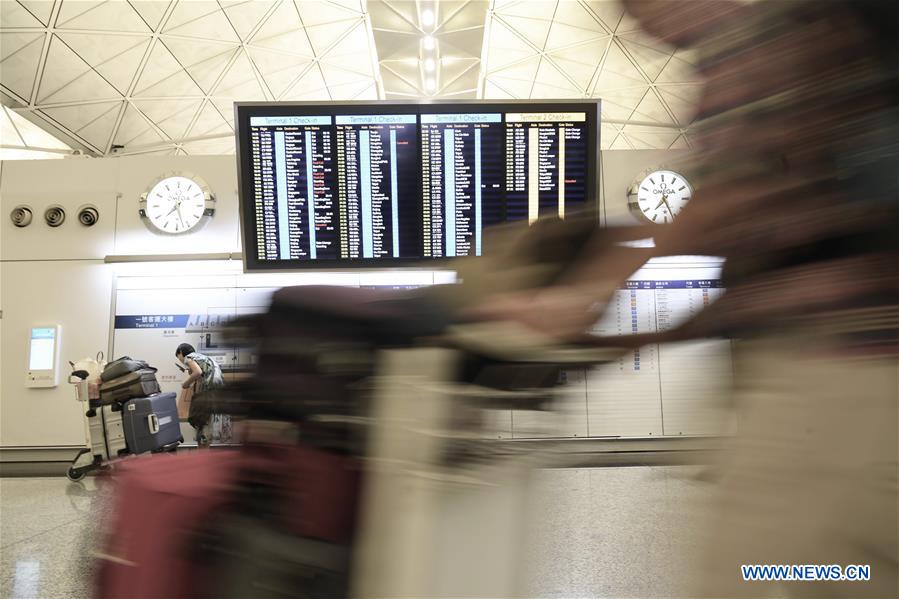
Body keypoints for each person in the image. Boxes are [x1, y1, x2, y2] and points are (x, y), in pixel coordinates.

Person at [470, 0, 898, 596]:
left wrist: (580, 293)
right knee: (850, 571)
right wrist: (619, 340)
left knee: (740, 573)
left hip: (832, 379)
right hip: (861, 377)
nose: (632, 22)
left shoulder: (758, 34)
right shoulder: (790, 33)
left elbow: (725, 197)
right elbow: (767, 268)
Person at [176, 343, 224, 448]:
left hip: (208, 390)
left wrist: (186, 384)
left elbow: (197, 372)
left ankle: (202, 453)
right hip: (217, 391)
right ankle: (204, 450)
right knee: (207, 423)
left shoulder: (188, 358)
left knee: (201, 421)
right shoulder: (202, 357)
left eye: (178, 356)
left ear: (181, 352)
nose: (179, 359)